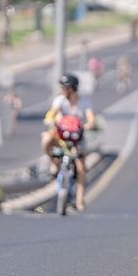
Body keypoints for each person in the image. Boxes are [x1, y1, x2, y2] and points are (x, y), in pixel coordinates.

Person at [42, 73, 96, 211]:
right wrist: (50, 120)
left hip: (77, 139)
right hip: (62, 137)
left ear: (71, 89)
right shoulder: (60, 101)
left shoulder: (84, 102)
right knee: (46, 139)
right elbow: (52, 113)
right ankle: (54, 163)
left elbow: (90, 117)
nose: (62, 91)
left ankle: (79, 200)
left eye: (64, 88)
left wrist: (89, 124)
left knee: (81, 169)